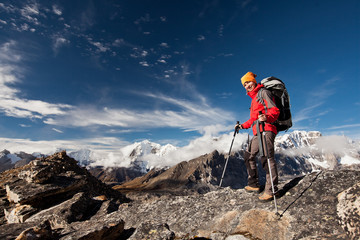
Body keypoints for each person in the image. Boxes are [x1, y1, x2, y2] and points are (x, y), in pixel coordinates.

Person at [236, 72, 280, 201]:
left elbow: (274, 110)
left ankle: (271, 190)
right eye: (244, 84)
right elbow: (253, 120)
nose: (247, 86)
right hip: (257, 132)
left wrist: (267, 117)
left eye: (248, 82)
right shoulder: (254, 99)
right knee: (248, 156)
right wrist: (242, 126)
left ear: (254, 81)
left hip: (266, 129)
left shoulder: (263, 93)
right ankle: (254, 184)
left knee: (267, 158)